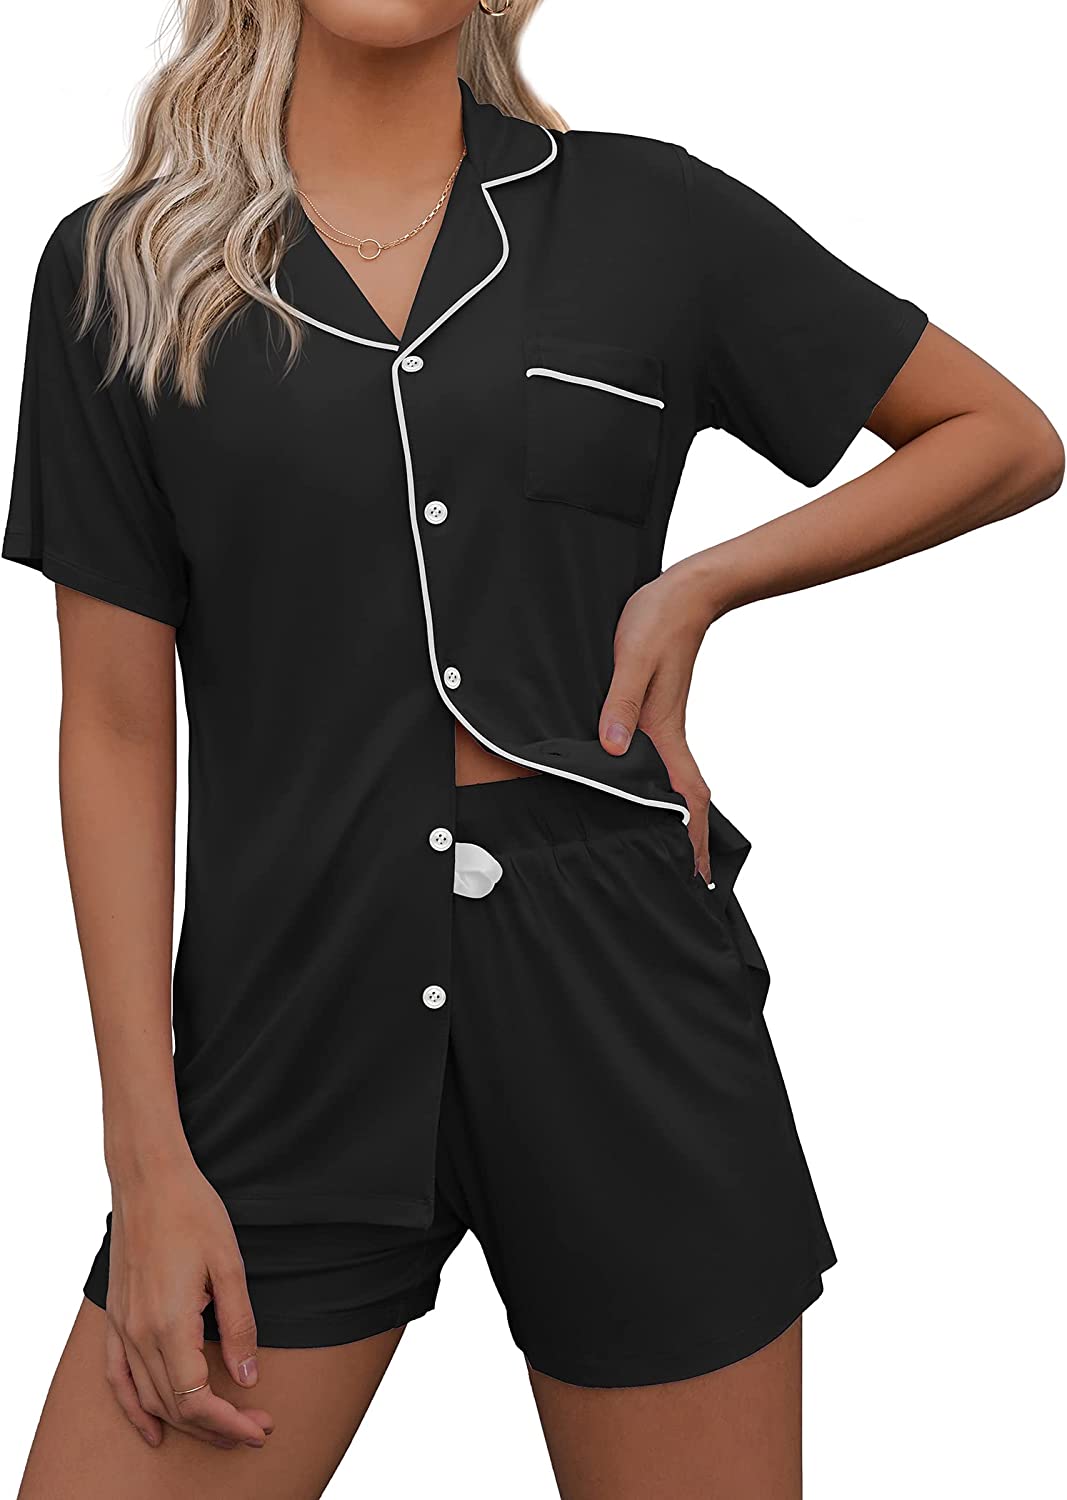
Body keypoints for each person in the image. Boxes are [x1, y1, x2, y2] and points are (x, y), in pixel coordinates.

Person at [5, 1, 1062, 1496]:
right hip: (289, 999)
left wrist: (702, 586)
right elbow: (116, 728)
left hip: (618, 984)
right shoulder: (122, 269)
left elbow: (1001, 435)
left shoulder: (647, 217)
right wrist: (145, 1158)